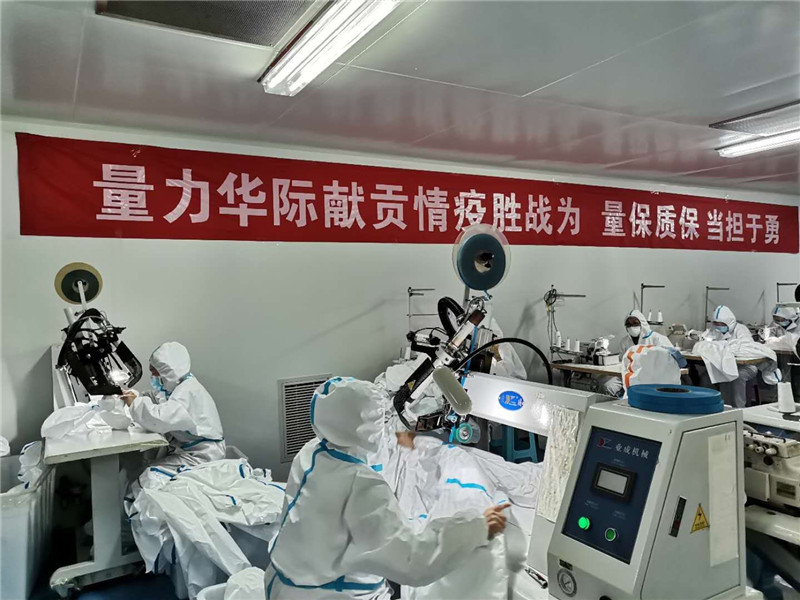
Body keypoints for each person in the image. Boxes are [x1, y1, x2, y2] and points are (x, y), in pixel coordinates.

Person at [265, 377, 509, 599]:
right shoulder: (361, 486)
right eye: (378, 421)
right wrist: (477, 526)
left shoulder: (309, 452)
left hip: (282, 585)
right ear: (368, 428)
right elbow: (413, 562)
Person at [123, 341, 225, 467]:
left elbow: (159, 420)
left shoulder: (188, 392)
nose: (152, 377)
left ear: (168, 371)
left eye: (154, 372)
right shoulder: (177, 387)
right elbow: (157, 398)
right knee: (145, 466)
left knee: (150, 476)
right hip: (188, 450)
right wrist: (134, 396)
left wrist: (134, 403)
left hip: (202, 455)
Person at [698, 305, 759, 408]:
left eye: (721, 324)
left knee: (736, 376)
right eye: (716, 324)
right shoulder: (714, 330)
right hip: (721, 366)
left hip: (745, 367)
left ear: (729, 322)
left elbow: (746, 348)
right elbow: (706, 341)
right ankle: (709, 407)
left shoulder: (741, 329)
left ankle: (738, 408)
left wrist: (724, 347)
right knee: (706, 379)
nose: (718, 326)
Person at [602, 310, 673, 396]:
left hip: (652, 376)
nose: (632, 327)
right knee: (609, 386)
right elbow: (621, 361)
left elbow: (670, 358)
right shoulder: (625, 342)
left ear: (642, 323)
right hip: (629, 374)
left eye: (635, 323)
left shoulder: (657, 338)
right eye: (628, 324)